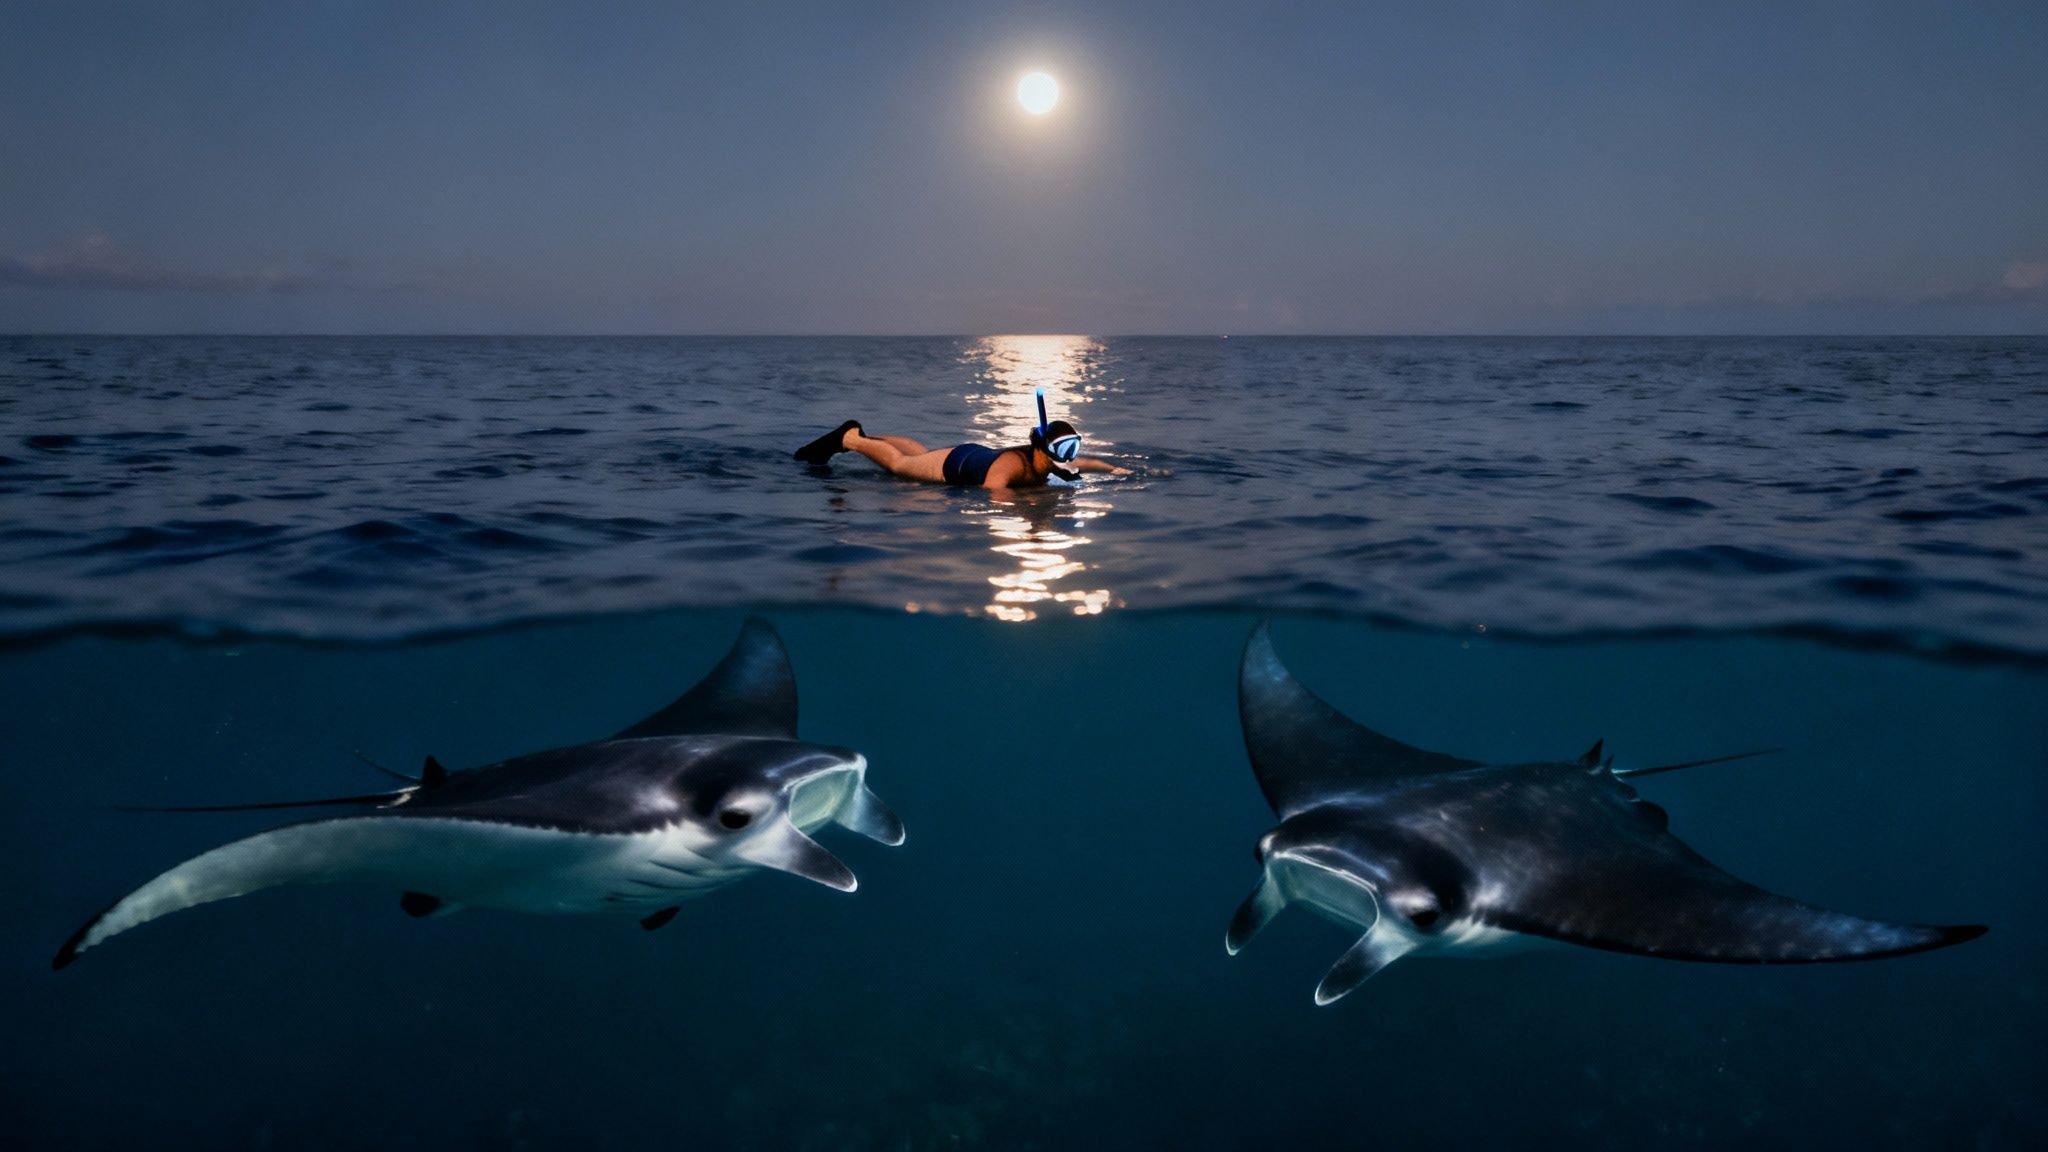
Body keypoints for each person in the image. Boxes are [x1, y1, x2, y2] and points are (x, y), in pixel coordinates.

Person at [793, 391, 1131, 490]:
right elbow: (994, 494)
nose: (1070, 456)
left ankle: (866, 436)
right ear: (1042, 448)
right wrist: (1027, 514)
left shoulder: (1047, 465)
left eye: (1074, 446)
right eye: (1063, 449)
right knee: (900, 466)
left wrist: (1114, 470)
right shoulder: (1013, 465)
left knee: (920, 454)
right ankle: (850, 438)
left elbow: (1085, 464)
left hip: (970, 453)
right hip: (954, 467)